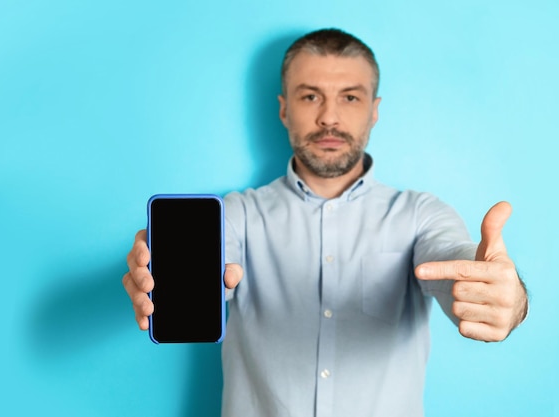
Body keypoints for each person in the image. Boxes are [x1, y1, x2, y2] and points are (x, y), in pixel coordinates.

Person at [123, 28, 528, 417]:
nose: (329, 118)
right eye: (310, 96)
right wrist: (158, 277)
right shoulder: (236, 215)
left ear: (374, 111)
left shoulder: (421, 214)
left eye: (350, 97)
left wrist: (502, 297)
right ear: (284, 108)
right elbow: (205, 271)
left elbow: (455, 261)